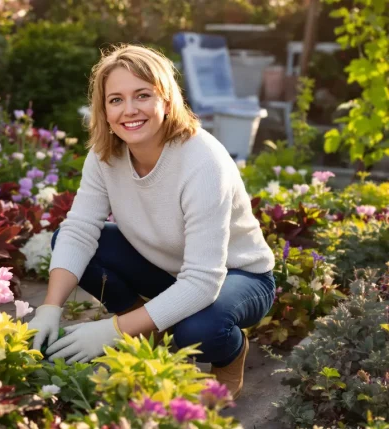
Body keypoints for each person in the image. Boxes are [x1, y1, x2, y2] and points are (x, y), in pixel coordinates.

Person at [27, 44, 276, 398]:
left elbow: (204, 281)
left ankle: (230, 351)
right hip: (170, 269)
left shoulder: (202, 161)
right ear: (104, 109)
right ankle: (146, 328)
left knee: (197, 331)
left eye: (142, 95)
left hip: (238, 276)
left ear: (167, 100)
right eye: (116, 100)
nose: (129, 110)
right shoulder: (104, 156)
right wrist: (50, 309)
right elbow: (79, 230)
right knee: (73, 243)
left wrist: (112, 330)